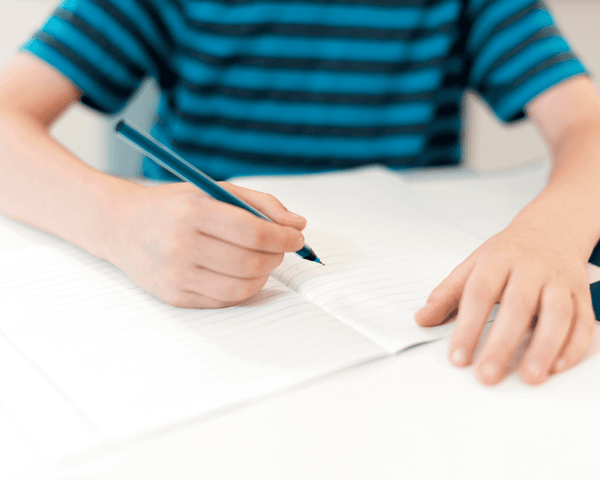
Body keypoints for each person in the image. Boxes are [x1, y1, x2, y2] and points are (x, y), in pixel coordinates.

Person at [1, 0, 599, 387]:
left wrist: (552, 233)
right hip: (189, 334)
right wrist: (119, 221)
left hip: (406, 361)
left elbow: (587, 123)